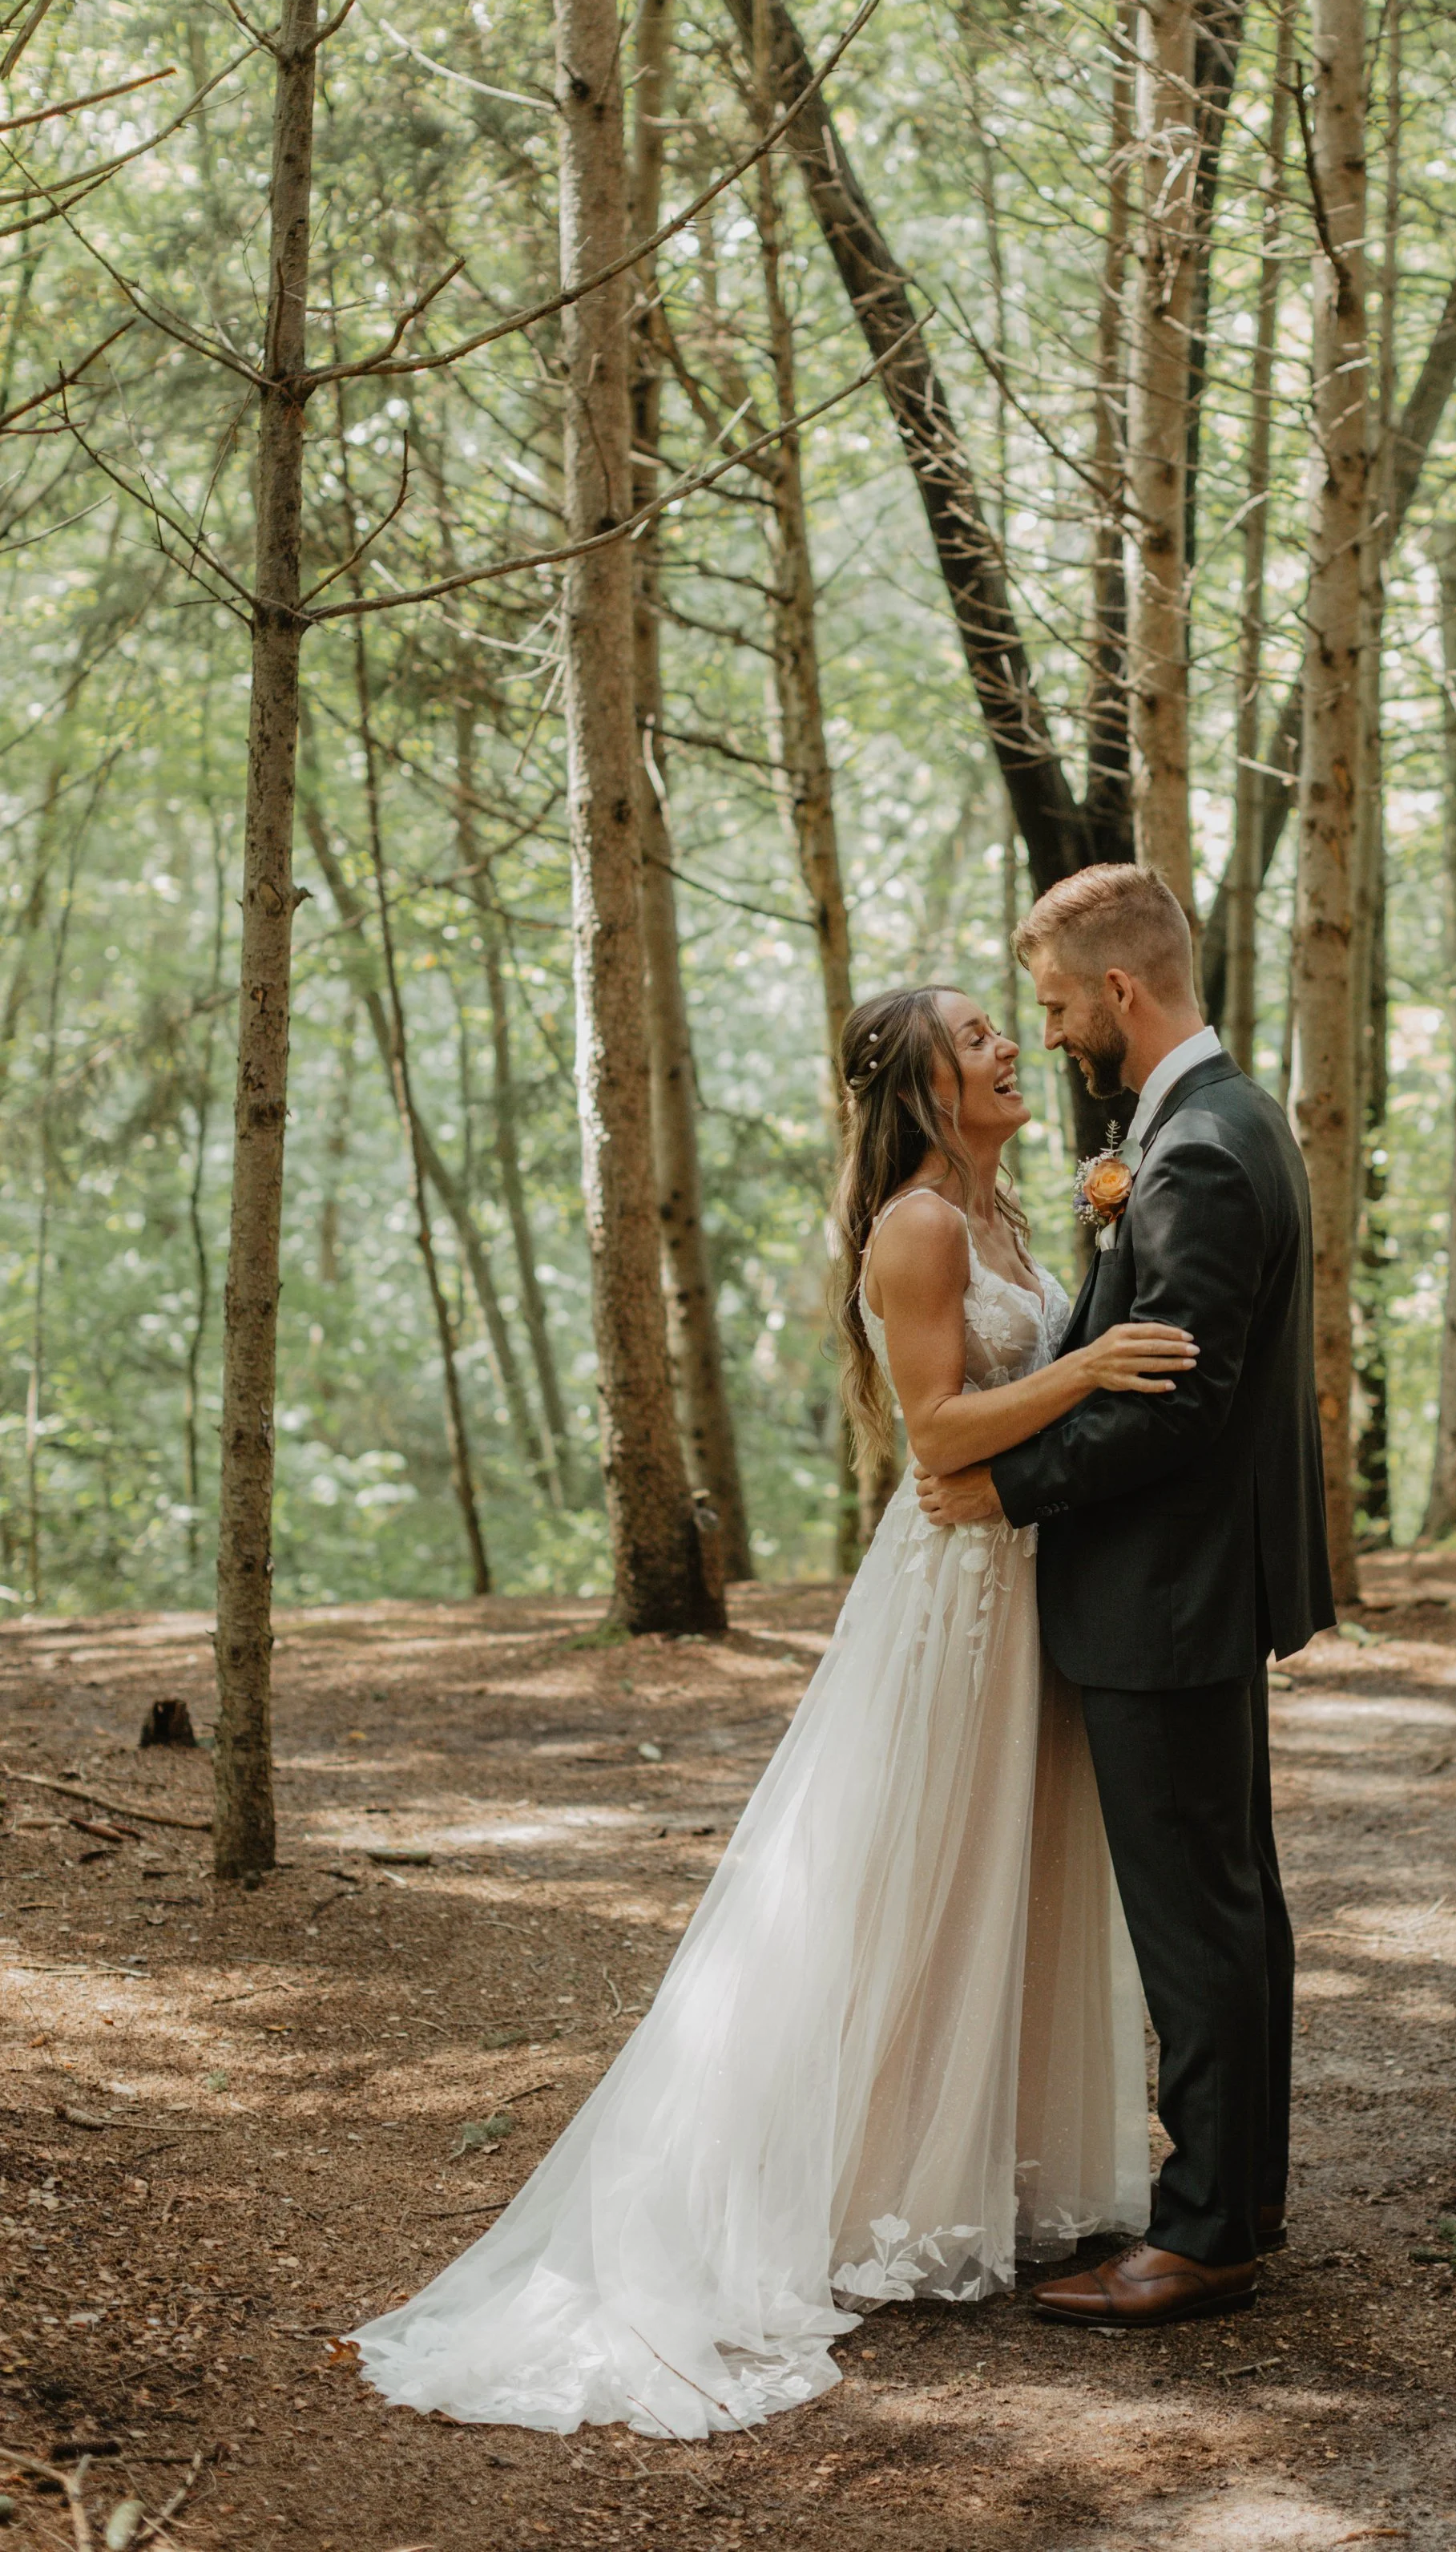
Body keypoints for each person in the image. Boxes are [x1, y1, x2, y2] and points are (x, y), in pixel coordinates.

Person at [349, 984, 1192, 2438]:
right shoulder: (919, 1228)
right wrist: (1088, 1365)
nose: (1009, 1047)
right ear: (925, 1087)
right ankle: (851, 2184)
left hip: (1029, 1582)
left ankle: (967, 2164)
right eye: (979, 1035)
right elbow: (934, 1429)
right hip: (953, 1598)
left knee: (1012, 1873)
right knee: (906, 1879)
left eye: (1009, 1026)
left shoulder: (1006, 1219)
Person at [917, 862, 1334, 2333]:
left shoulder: (1200, 1151)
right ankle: (1242, 2195)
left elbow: (1181, 1404)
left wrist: (1002, 1488)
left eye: (1052, 1006)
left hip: (1170, 1590)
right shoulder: (1218, 1122)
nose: (1049, 1034)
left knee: (1196, 1916)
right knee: (1228, 1902)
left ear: (1119, 991)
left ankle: (1209, 2231)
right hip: (1195, 1584)